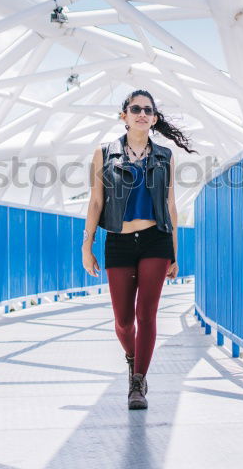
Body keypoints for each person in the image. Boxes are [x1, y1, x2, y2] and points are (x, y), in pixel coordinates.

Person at [81, 89, 197, 410]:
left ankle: (137, 382)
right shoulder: (104, 153)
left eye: (148, 110)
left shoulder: (165, 156)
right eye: (136, 109)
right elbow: (96, 202)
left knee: (146, 314)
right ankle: (132, 357)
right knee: (122, 321)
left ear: (155, 119)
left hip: (155, 240)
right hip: (118, 240)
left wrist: (174, 253)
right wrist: (87, 245)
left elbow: (170, 206)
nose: (142, 114)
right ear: (124, 116)